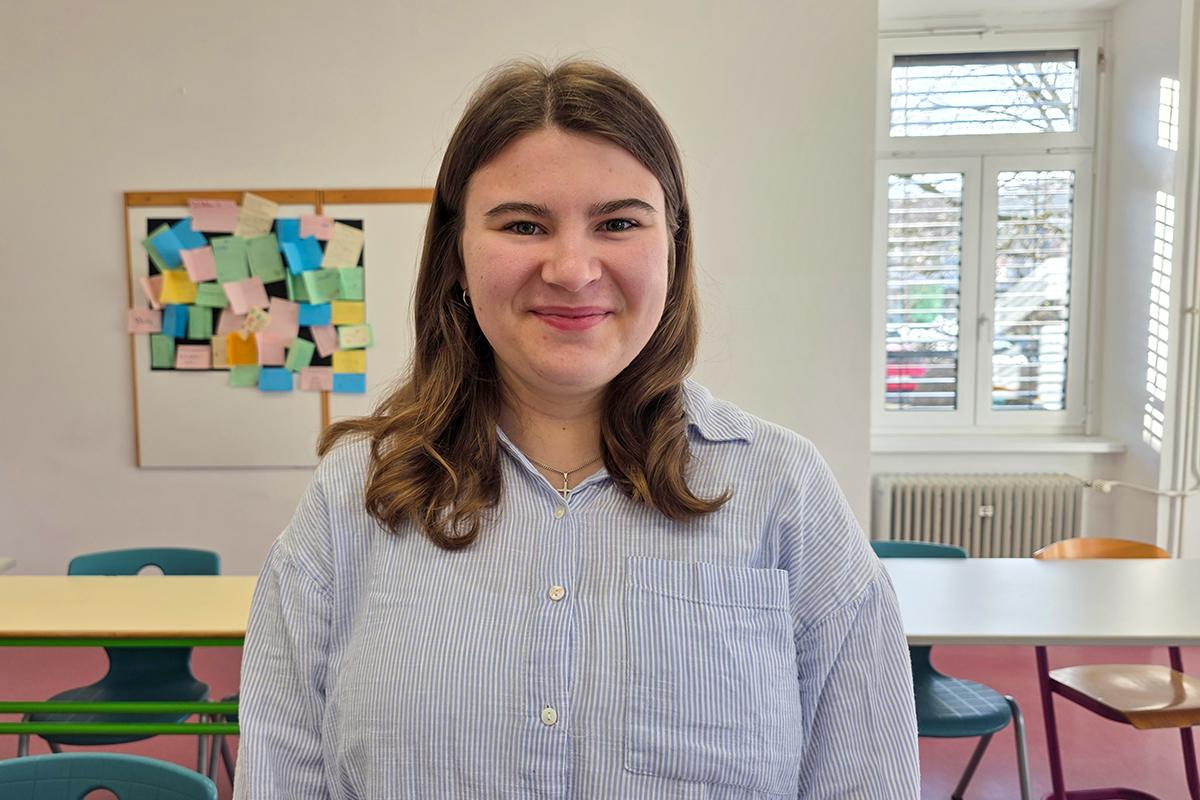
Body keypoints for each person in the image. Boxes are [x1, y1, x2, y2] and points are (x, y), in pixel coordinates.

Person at [233, 59, 919, 799]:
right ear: (456, 256)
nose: (571, 269)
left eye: (618, 223)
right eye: (523, 225)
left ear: (672, 248)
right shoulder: (353, 495)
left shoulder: (784, 491)